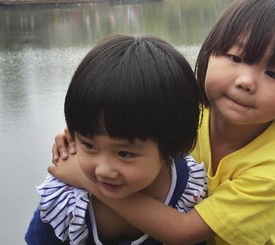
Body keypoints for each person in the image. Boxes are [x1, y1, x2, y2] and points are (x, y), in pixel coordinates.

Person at [51, 0, 275, 244]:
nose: (246, 81)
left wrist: (87, 180)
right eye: (235, 58)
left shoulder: (272, 170)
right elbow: (130, 114)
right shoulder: (189, 107)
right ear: (209, 52)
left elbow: (182, 232)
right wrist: (86, 135)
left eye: (274, 73)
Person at [26, 35, 207, 245]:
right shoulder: (65, 200)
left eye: (125, 153)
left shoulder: (188, 190)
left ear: (171, 145)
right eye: (89, 145)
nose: (103, 170)